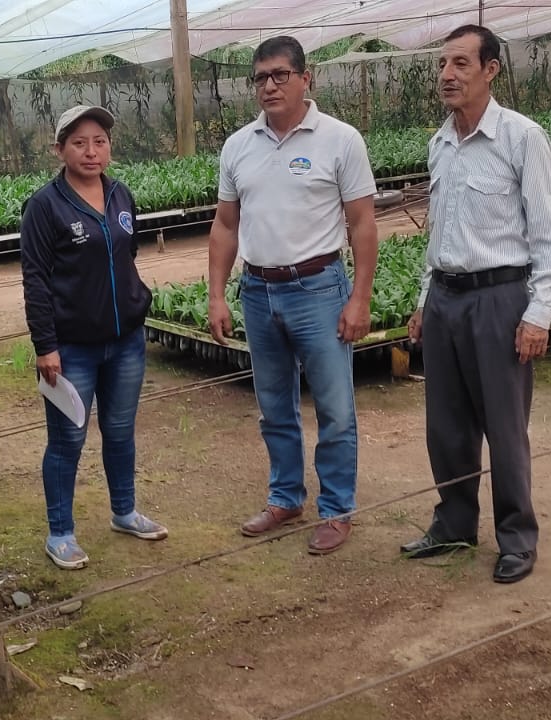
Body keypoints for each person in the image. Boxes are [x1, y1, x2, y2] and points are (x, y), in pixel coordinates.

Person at [400, 25, 551, 584]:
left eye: (461, 64)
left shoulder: (522, 138)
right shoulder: (441, 143)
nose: (447, 75)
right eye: (442, 65)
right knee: (446, 426)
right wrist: (425, 299)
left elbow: (550, 238)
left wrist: (539, 313)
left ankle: (517, 537)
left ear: (491, 70)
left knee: (505, 426)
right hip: (446, 298)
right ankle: (453, 523)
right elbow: (440, 234)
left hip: (500, 299)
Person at [208, 36, 379, 556]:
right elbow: (225, 225)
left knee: (335, 408)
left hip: (319, 289)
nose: (270, 86)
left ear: (307, 78)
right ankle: (285, 498)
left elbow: (362, 223)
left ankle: (336, 509)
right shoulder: (238, 146)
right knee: (274, 407)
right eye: (260, 77)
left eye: (280, 74)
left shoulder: (341, 140)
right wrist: (217, 295)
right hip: (258, 291)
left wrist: (360, 298)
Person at [20, 105, 168, 570]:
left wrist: (134, 302)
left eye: (99, 141)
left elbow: (128, 254)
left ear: (109, 147)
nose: (91, 151)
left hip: (125, 343)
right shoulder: (44, 206)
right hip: (71, 351)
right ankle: (60, 533)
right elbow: (35, 281)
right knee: (67, 440)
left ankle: (124, 512)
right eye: (79, 143)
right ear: (59, 149)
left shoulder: (121, 194)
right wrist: (46, 346)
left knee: (120, 431)